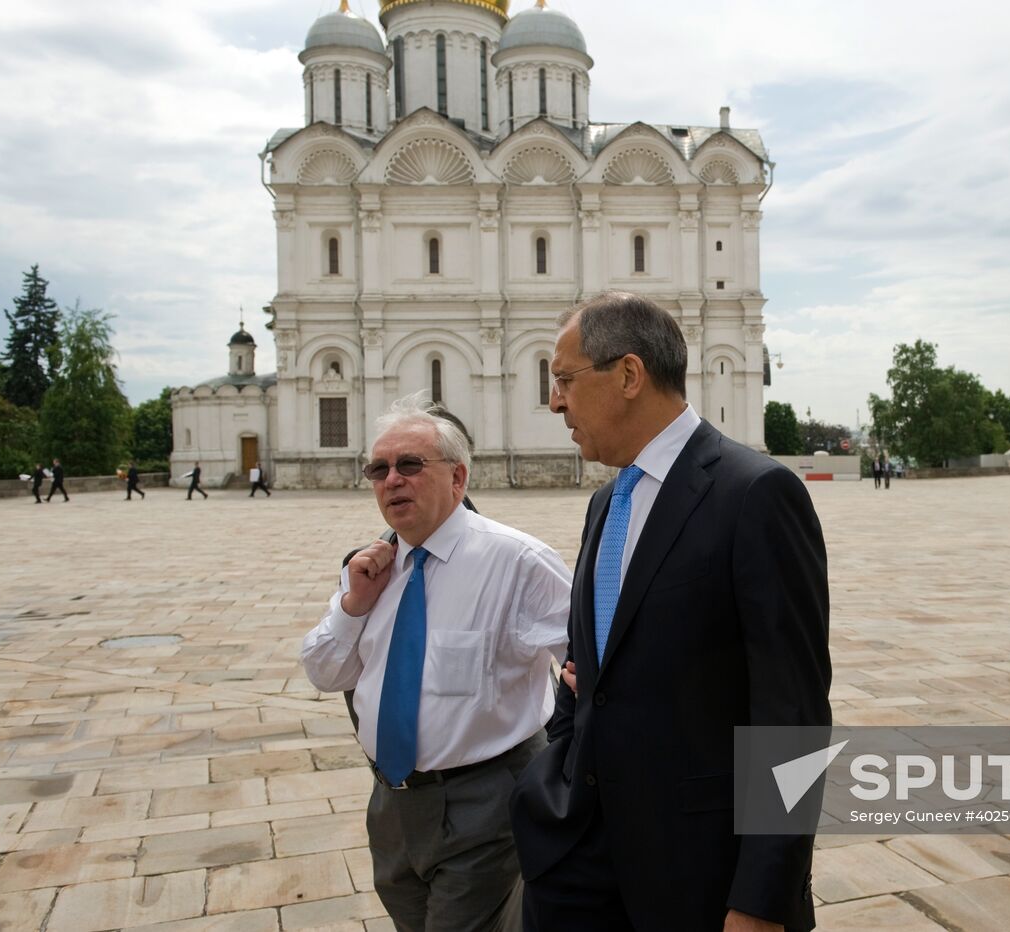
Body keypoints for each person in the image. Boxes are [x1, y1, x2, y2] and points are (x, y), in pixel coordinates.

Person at [512, 293, 831, 932]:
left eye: (564, 380)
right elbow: (590, 664)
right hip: (578, 868)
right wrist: (561, 770)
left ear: (628, 376)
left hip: (699, 878)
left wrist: (762, 898)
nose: (554, 402)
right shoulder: (605, 505)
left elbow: (791, 714)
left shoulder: (756, 494)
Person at [302, 393, 571, 932]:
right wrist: (353, 605)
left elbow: (589, 671)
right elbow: (325, 673)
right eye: (378, 469)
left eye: (410, 465)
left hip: (484, 802)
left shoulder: (517, 561)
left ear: (458, 477)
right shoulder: (371, 567)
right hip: (393, 806)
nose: (391, 480)